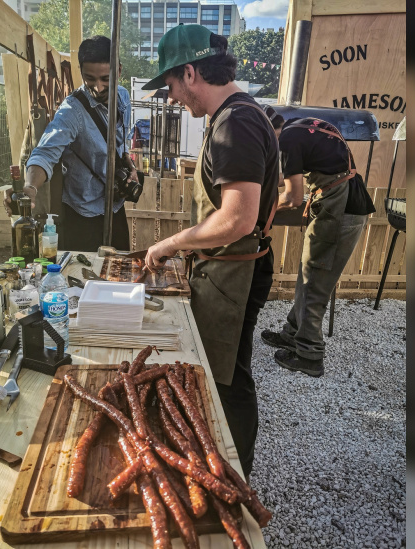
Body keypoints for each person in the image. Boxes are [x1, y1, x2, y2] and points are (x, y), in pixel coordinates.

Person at [142, 25, 278, 479]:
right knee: (227, 372)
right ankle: (226, 468)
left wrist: (172, 242)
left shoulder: (235, 122)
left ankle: (233, 480)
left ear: (191, 72)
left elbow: (238, 218)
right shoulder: (234, 116)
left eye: (172, 85)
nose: (173, 97)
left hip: (235, 271)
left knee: (229, 380)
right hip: (229, 265)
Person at [260, 107, 372, 377]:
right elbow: (286, 176)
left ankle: (310, 354)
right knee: (308, 273)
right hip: (342, 201)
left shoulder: (286, 142)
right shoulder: (298, 127)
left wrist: (261, 209)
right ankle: (292, 334)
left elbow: (293, 199)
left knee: (316, 280)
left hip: (340, 209)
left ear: (267, 135)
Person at [3, 36, 137, 250]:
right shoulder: (72, 111)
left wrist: (129, 167)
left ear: (119, 71)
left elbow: (122, 145)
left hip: (115, 209)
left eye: (105, 78)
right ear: (80, 71)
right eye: (90, 79)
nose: (99, 87)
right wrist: (30, 188)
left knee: (120, 274)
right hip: (84, 216)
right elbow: (44, 153)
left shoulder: (123, 97)